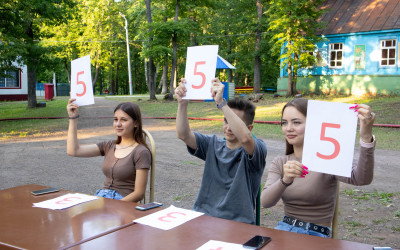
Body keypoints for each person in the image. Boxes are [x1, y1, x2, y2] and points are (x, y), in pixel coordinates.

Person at [260, 98, 375, 237]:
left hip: (316, 234)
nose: (288, 128)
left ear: (315, 124)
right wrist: (285, 180)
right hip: (284, 230)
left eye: (296, 122)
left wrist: (366, 138)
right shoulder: (281, 161)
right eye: (284, 122)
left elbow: (361, 179)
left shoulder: (327, 159)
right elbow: (265, 202)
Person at [175, 78, 267, 224]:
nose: (228, 127)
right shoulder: (212, 144)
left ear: (249, 128)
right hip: (202, 217)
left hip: (237, 223)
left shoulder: (258, 149)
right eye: (226, 120)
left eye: (234, 121)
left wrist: (222, 103)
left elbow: (245, 139)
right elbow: (183, 135)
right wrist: (182, 103)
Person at [66, 99, 151, 202]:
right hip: (102, 198)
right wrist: (72, 118)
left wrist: (112, 205)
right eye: (115, 119)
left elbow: (138, 194)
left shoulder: (141, 152)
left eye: (124, 120)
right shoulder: (108, 146)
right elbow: (73, 151)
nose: (118, 124)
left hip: (122, 203)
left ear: (135, 123)